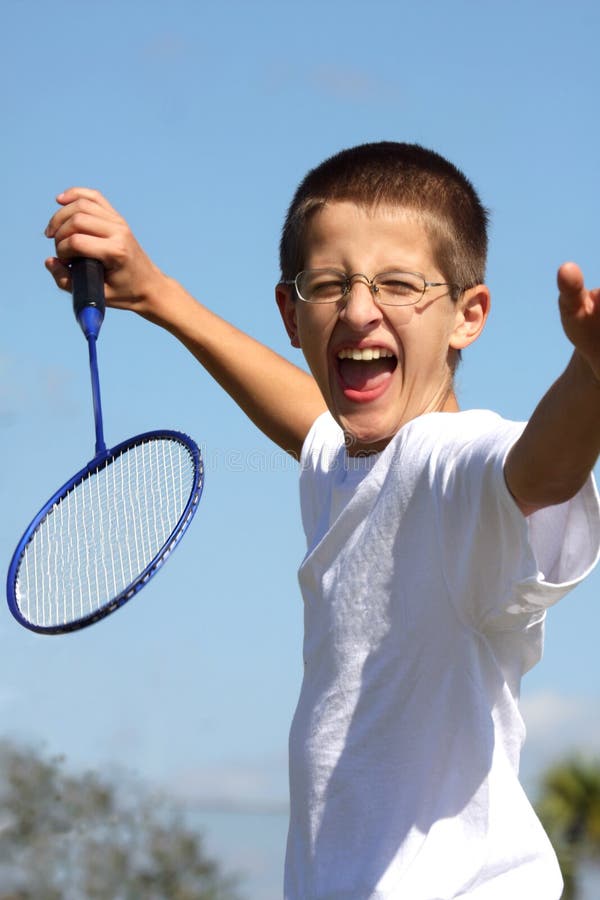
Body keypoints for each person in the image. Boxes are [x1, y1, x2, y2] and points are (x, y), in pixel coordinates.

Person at [44, 142, 600, 899]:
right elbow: (310, 424)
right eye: (329, 285)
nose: (359, 309)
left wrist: (590, 378)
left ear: (469, 316)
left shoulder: (453, 465)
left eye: (400, 284)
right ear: (291, 312)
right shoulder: (352, 460)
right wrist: (156, 295)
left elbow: (539, 469)